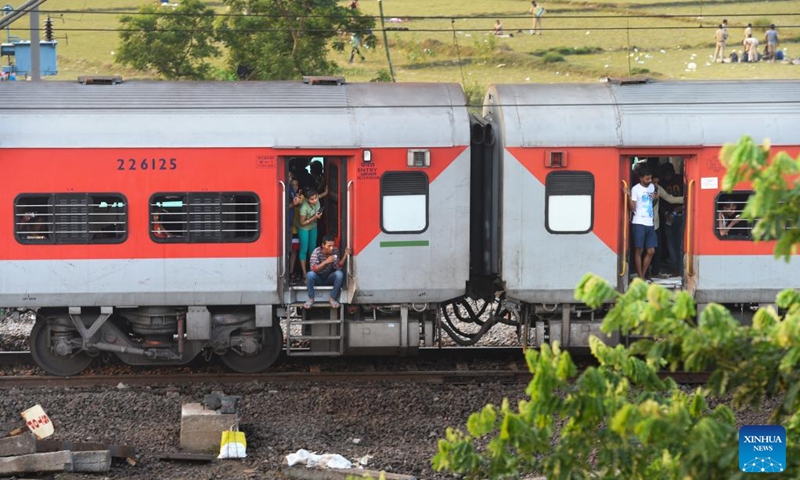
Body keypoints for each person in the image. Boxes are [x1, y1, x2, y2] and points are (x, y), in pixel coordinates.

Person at [305, 235, 351, 309]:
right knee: (310, 275)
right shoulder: (316, 252)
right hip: (318, 277)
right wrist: (326, 262)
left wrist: (345, 255)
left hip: (329, 277)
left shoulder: (335, 251)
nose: (331, 248)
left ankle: (332, 298)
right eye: (328, 246)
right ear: (323, 245)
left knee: (339, 274)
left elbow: (338, 266)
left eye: (332, 245)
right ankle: (311, 298)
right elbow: (314, 269)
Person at [628, 167, 657, 282]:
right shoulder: (635, 189)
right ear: (641, 178)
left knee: (651, 251)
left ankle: (642, 276)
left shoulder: (652, 187)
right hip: (638, 222)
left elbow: (652, 203)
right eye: (647, 178)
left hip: (650, 222)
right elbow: (632, 207)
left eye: (650, 178)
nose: (649, 180)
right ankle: (640, 277)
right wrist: (628, 197)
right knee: (639, 250)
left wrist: (655, 199)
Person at [658, 163, 684, 276]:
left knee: (679, 243)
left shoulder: (681, 180)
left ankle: (681, 269)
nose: (667, 177)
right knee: (671, 245)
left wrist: (682, 207)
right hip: (668, 217)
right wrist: (666, 213)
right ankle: (675, 269)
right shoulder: (660, 184)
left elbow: (673, 199)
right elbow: (662, 201)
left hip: (681, 215)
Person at [298, 188, 323, 279]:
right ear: (307, 200)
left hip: (313, 227)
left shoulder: (317, 201)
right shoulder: (303, 208)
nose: (315, 200)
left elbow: (320, 196)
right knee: (304, 249)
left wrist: (326, 191)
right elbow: (302, 223)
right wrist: (314, 217)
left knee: (312, 248)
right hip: (304, 228)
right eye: (312, 199)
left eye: (315, 198)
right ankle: (304, 274)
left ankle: (312, 270)